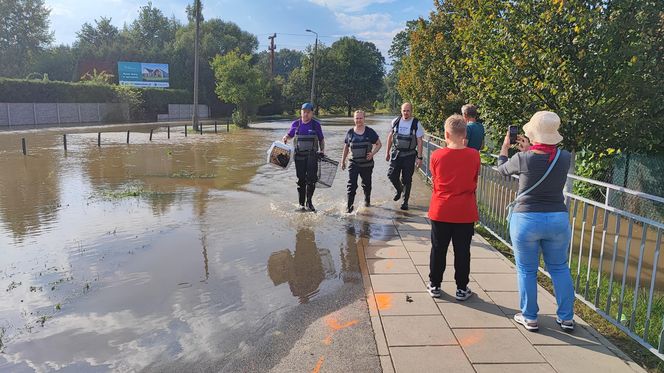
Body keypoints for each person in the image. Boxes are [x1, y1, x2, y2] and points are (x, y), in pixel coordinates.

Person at [497, 111, 575, 332]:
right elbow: (545, 160)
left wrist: (505, 147)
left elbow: (502, 170)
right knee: (560, 268)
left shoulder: (523, 158)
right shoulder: (565, 157)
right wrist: (530, 149)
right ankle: (566, 317)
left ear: (533, 133)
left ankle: (530, 316)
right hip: (557, 219)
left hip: (527, 220)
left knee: (527, 270)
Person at [426, 114, 480, 301]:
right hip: (464, 211)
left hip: (441, 208)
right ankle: (461, 288)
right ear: (464, 133)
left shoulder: (436, 155)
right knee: (463, 251)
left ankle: (435, 284)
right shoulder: (474, 155)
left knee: (438, 249)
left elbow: (435, 180)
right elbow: (474, 180)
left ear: (446, 134)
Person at [282, 103, 325, 212]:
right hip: (299, 156)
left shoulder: (316, 125)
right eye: (303, 112)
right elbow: (290, 135)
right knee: (301, 180)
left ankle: (309, 202)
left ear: (312, 113)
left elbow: (321, 139)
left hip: (312, 156)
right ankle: (301, 204)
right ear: (301, 112)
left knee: (311, 180)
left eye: (308, 112)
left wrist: (322, 150)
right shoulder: (296, 124)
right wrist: (286, 137)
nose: (305, 114)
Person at [385, 102, 424, 210]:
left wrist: (419, 157)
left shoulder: (416, 123)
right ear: (401, 111)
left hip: (409, 155)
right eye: (404, 110)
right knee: (391, 175)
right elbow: (390, 137)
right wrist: (387, 152)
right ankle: (399, 189)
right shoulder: (395, 121)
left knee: (407, 179)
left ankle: (405, 202)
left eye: (408, 110)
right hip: (396, 154)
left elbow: (420, 141)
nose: (406, 113)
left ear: (411, 111)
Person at [341, 110, 382, 213]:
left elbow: (379, 144)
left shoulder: (370, 132)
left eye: (360, 118)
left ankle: (367, 201)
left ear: (364, 119)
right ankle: (349, 208)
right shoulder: (350, 132)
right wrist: (343, 161)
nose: (358, 120)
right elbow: (346, 147)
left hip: (367, 164)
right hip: (353, 163)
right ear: (354, 119)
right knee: (351, 185)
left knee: (366, 184)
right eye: (356, 118)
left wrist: (372, 154)